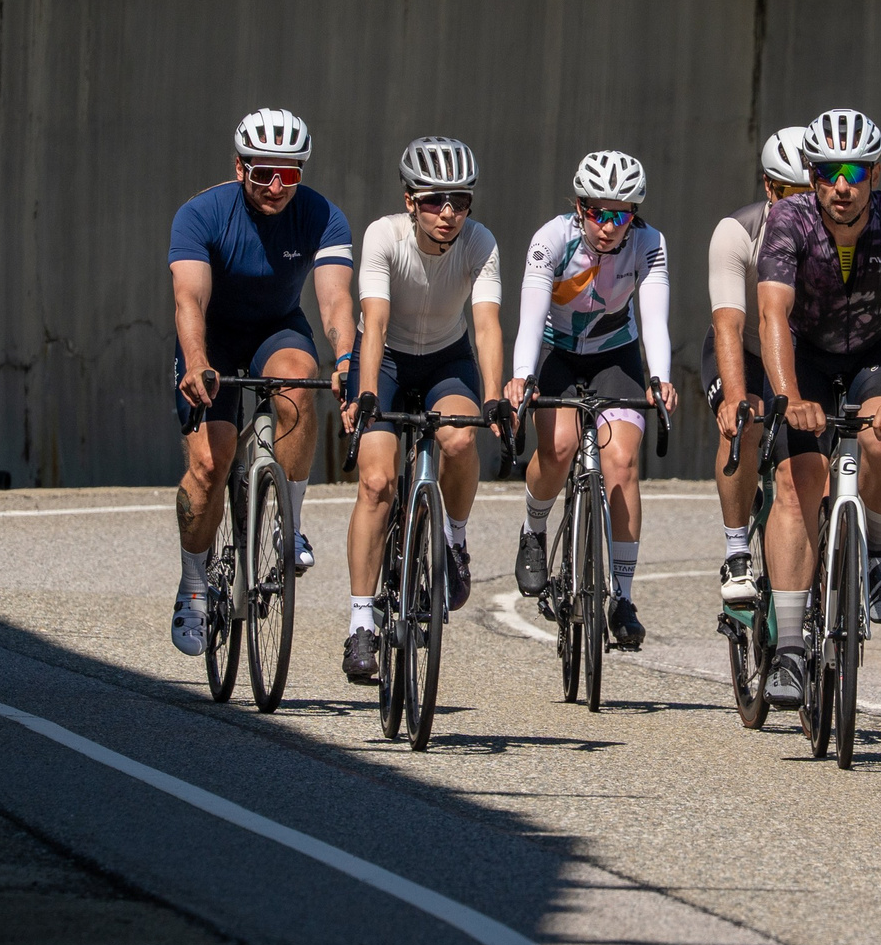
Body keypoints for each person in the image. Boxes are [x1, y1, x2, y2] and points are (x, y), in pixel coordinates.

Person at [756, 108, 881, 697]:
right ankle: (786, 649)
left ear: (874, 174)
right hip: (804, 351)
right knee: (797, 478)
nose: (842, 185)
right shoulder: (787, 220)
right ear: (812, 176)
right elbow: (772, 314)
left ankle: (877, 545)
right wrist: (787, 398)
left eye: (855, 171)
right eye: (830, 171)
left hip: (874, 349)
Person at [168, 108, 356, 658]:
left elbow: (336, 299)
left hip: (277, 328)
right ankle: (194, 582)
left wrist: (346, 357)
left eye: (290, 175)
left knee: (301, 383)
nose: (276, 186)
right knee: (210, 461)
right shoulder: (201, 214)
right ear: (239, 168)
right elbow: (189, 298)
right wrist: (197, 358)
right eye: (262, 174)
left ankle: (288, 524)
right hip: (214, 337)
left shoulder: (323, 216)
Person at [341, 137, 508, 683]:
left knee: (460, 438)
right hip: (384, 362)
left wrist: (494, 397)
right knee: (377, 483)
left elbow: (485, 326)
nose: (449, 213)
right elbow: (376, 322)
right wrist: (365, 394)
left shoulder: (480, 242)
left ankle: (454, 539)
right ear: (411, 201)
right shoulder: (383, 237)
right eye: (436, 201)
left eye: (460, 201)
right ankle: (362, 624)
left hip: (445, 358)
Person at [505, 149, 676, 650]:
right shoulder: (551, 239)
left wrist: (660, 377)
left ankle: (622, 596)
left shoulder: (648, 243)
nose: (608, 226)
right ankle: (535, 530)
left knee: (620, 460)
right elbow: (531, 319)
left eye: (620, 215)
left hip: (615, 356)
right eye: (599, 212)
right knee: (557, 450)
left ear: (634, 216)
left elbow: (655, 320)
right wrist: (521, 377)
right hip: (559, 353)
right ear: (580, 207)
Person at [704, 125, 811, 699]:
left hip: (797, 354)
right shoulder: (736, 233)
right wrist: (735, 396)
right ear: (770, 190)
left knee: (804, 467)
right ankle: (738, 550)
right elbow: (730, 323)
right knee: (741, 421)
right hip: (743, 350)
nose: (808, 206)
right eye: (792, 195)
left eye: (812, 192)